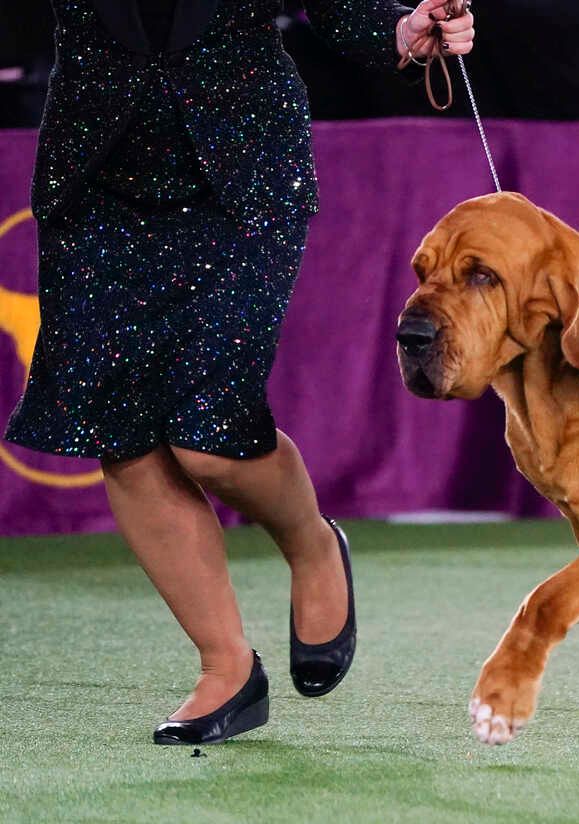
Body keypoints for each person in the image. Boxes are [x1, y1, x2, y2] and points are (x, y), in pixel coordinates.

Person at [4, 0, 473, 745]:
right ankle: (226, 667)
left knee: (209, 441)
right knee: (122, 435)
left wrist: (397, 32)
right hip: (95, 176)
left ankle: (311, 542)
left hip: (241, 171)